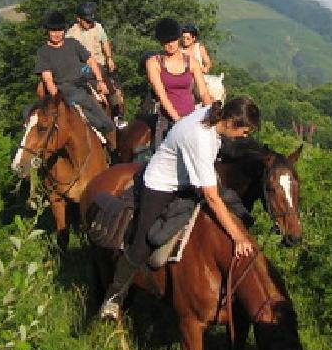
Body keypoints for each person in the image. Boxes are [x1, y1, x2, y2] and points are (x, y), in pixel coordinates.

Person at [99, 96, 260, 320]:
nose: (244, 137)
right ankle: (113, 297)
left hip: (189, 180)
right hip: (161, 184)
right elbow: (212, 198)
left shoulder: (212, 115)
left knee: (232, 201)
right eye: (244, 132)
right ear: (231, 123)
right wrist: (237, 237)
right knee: (143, 243)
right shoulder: (201, 137)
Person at [34, 9, 115, 146]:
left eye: (60, 30)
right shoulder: (43, 52)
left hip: (83, 85)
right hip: (64, 91)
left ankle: (116, 118)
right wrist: (57, 99)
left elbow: (91, 61)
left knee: (108, 123)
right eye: (53, 31)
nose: (57, 34)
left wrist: (100, 81)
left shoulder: (72, 43)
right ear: (47, 32)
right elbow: (48, 79)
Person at [146, 17, 212, 148]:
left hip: (191, 117)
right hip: (167, 120)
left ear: (178, 38)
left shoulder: (192, 62)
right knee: (159, 162)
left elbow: (203, 92)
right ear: (161, 43)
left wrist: (211, 113)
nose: (170, 45)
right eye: (166, 42)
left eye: (173, 40)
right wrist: (177, 119)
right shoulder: (153, 63)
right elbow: (162, 95)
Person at [66, 1, 125, 127]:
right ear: (78, 19)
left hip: (101, 64)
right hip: (84, 67)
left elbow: (105, 42)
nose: (90, 23)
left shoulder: (97, 27)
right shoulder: (71, 35)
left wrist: (109, 58)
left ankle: (117, 115)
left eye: (91, 20)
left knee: (116, 89)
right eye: (87, 21)